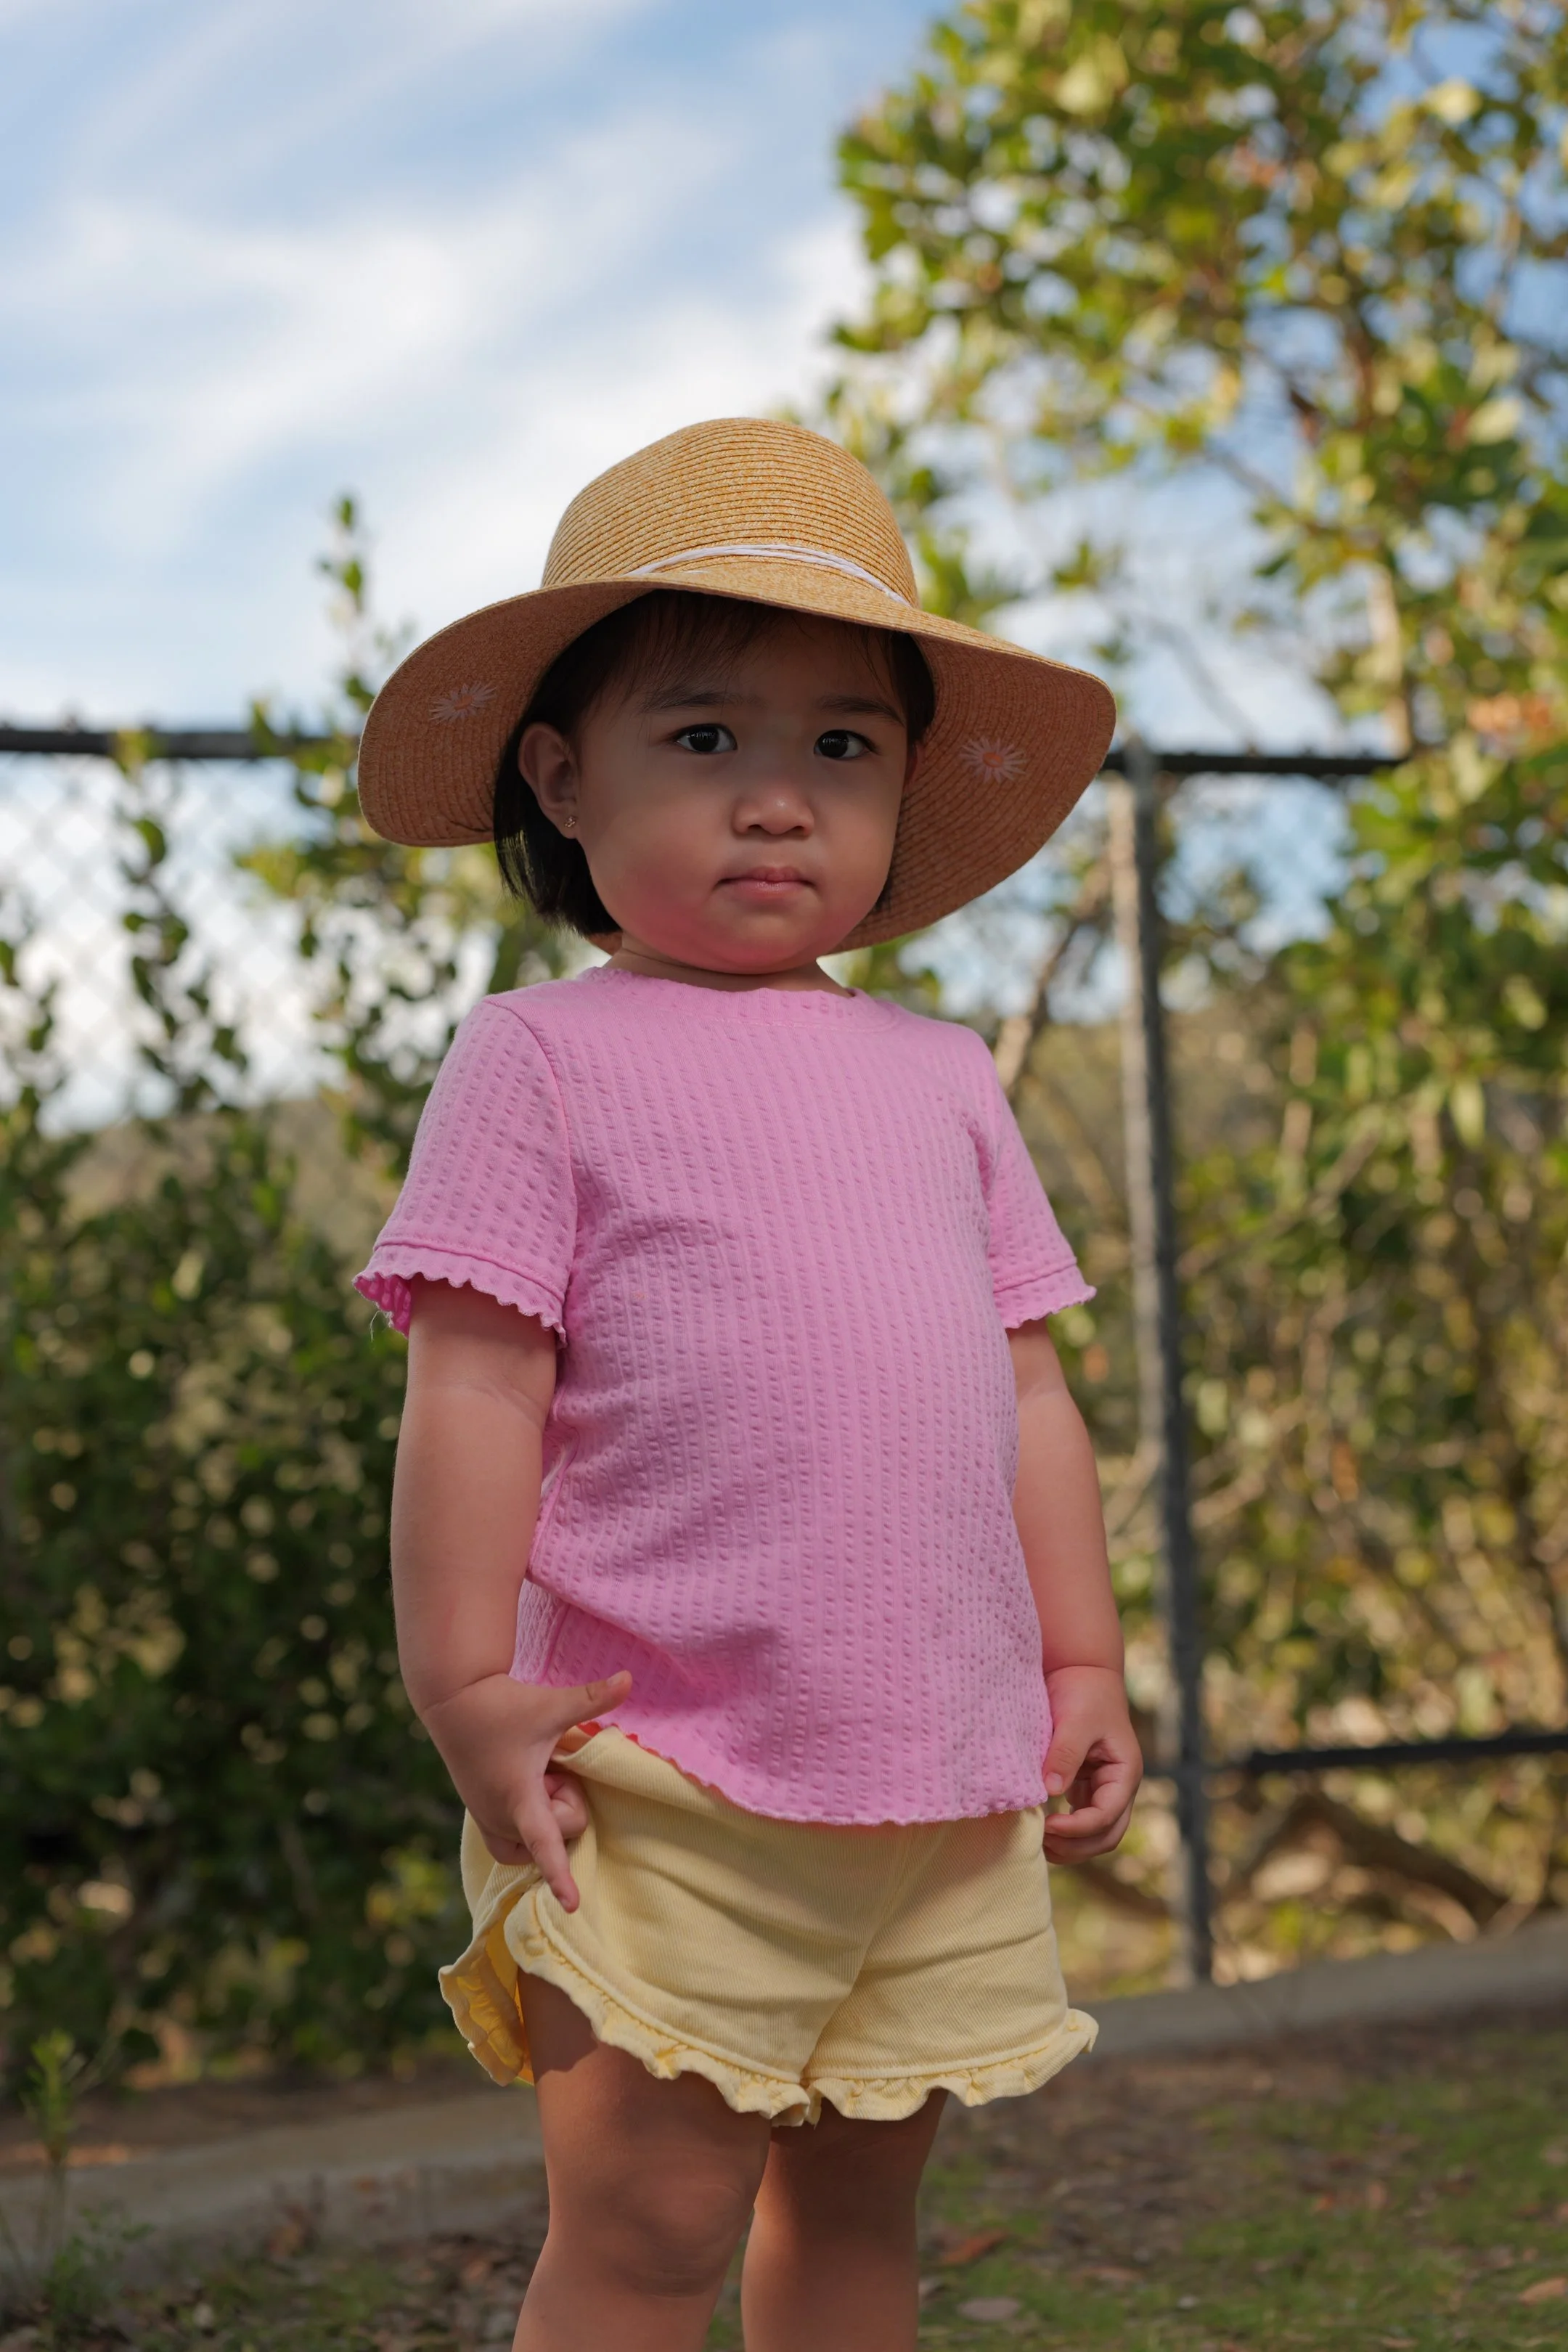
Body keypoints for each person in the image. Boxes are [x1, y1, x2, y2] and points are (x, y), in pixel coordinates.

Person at [353, 417, 1140, 2352]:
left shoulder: (944, 1075)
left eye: (840, 747)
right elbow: (473, 1387)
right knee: (645, 2236)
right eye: (706, 739)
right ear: (561, 773)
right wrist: (463, 1687)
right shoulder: (543, 1059)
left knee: (862, 2233)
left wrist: (1082, 1664)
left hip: (939, 1783)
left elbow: (1023, 1389)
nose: (779, 800)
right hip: (669, 1779)